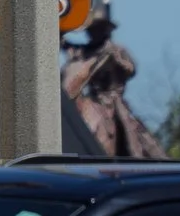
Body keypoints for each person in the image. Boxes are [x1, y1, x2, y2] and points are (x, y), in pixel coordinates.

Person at [63, 15, 167, 159]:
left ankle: (136, 155)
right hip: (94, 98)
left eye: (98, 30)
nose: (94, 34)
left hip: (112, 99)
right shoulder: (86, 51)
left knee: (129, 129)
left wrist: (117, 60)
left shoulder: (116, 50)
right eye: (92, 31)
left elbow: (131, 69)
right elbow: (69, 49)